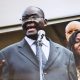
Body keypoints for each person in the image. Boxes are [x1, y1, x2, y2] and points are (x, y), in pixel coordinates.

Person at [0, 6, 78, 80]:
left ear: (45, 22)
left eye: (34, 17)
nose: (29, 20)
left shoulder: (67, 54)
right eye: (24, 18)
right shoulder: (6, 54)